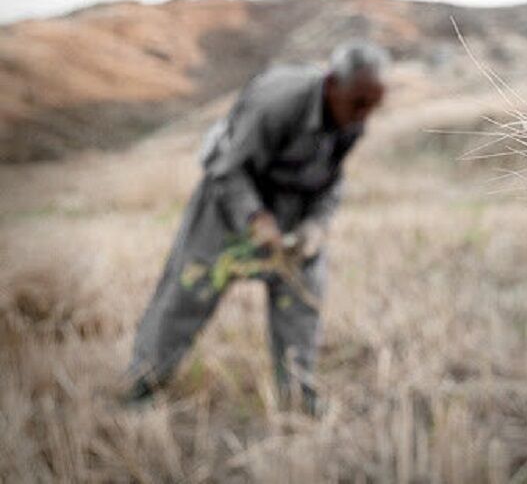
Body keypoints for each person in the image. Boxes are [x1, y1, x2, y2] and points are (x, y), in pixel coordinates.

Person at [124, 41, 389, 414]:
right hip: (228, 201)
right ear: (331, 84)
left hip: (295, 207)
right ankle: (142, 386)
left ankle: (298, 399)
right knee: (189, 291)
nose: (365, 116)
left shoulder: (354, 118)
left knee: (300, 299)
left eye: (373, 105)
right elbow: (227, 167)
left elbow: (332, 181)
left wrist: (317, 225)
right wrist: (255, 219)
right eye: (359, 103)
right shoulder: (277, 102)